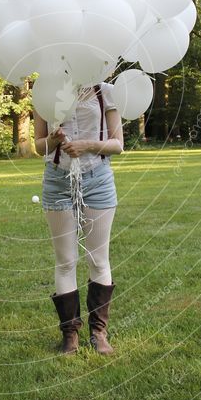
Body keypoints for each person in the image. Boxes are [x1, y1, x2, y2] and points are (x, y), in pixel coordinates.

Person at [33, 82, 124, 355]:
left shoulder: (105, 90)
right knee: (65, 261)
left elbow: (118, 144)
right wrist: (53, 140)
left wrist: (88, 145)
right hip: (57, 181)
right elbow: (38, 146)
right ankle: (70, 335)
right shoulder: (45, 87)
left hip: (98, 179)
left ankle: (99, 333)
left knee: (98, 259)